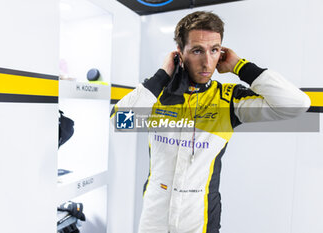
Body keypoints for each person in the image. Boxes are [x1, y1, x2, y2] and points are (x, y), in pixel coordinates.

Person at [111, 11, 310, 233]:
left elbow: (297, 103)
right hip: (153, 216)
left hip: (199, 219)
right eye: (197, 50)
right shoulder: (157, 93)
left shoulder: (229, 99)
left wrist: (240, 66)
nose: (207, 62)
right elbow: (120, 122)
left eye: (214, 50)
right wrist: (162, 74)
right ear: (180, 54)